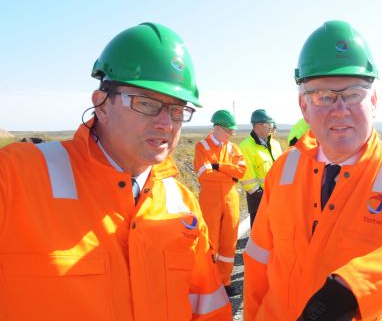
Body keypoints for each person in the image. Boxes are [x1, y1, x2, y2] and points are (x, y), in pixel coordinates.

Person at [0, 22, 232, 320]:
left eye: (177, 110)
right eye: (147, 103)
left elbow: (208, 308)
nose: (166, 123)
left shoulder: (182, 206)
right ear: (101, 105)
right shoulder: (17, 177)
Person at [243, 20, 382, 321]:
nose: (340, 109)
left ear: (373, 101)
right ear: (303, 106)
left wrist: (353, 287)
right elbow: (258, 260)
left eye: (353, 94)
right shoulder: (283, 170)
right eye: (324, 96)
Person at [193, 109, 246, 297]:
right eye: (229, 130)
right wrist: (229, 176)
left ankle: (224, 280)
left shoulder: (232, 148)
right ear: (217, 128)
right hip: (210, 200)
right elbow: (203, 175)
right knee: (210, 242)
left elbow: (241, 172)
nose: (232, 134)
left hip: (231, 199)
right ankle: (208, 281)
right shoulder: (202, 146)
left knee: (229, 242)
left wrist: (219, 167)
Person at [239, 109, 283, 227]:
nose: (271, 127)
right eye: (268, 124)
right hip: (259, 200)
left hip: (277, 197)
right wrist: (264, 196)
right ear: (258, 126)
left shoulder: (275, 144)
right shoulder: (245, 146)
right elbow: (248, 178)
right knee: (260, 239)